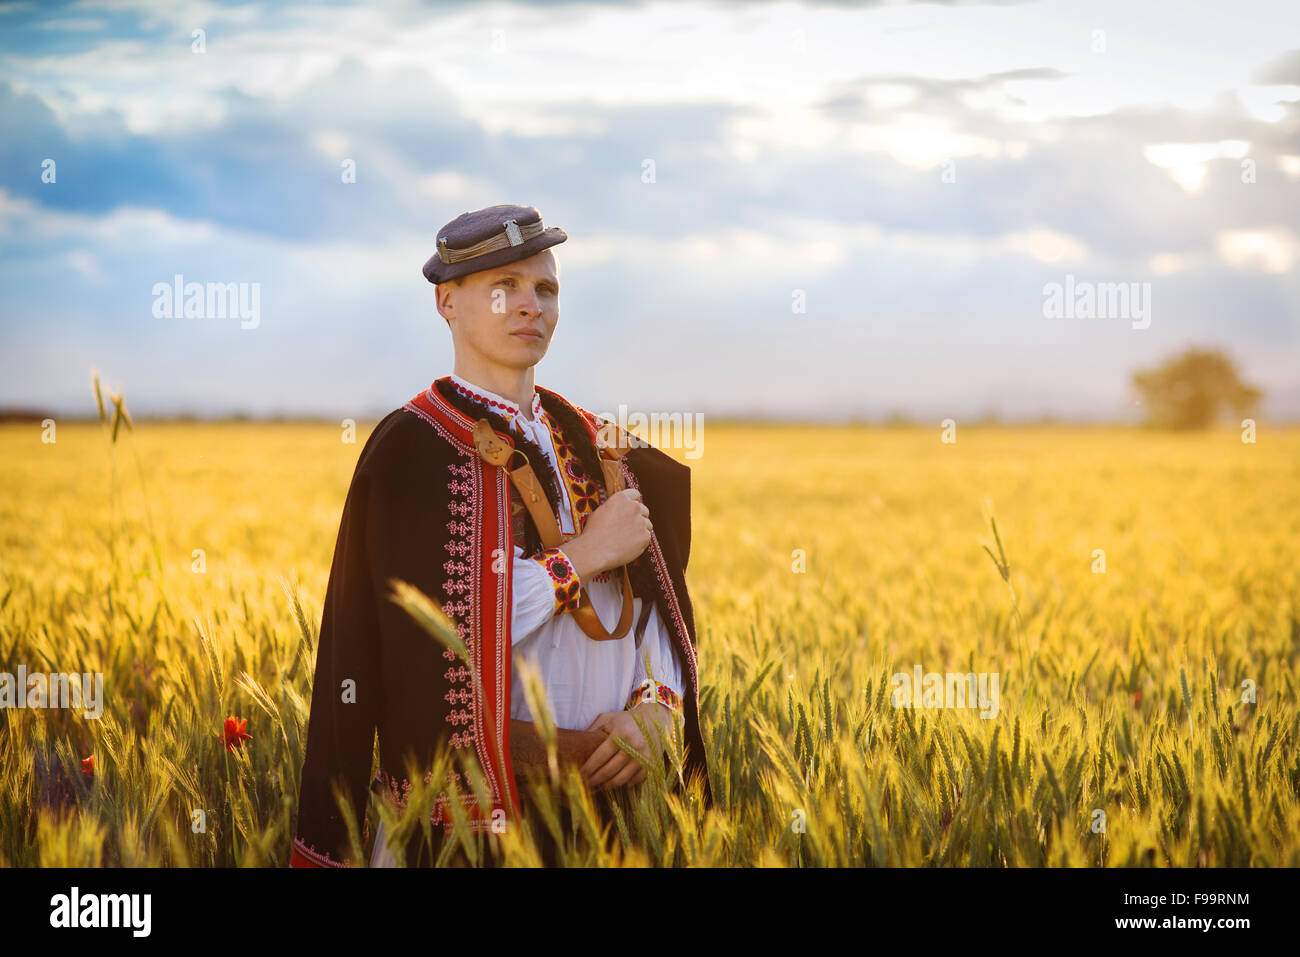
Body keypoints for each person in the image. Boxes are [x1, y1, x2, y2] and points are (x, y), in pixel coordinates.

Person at [289, 203, 711, 867]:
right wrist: (584, 555)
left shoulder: (601, 441)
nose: (528, 306)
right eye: (502, 286)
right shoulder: (412, 449)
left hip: (612, 814)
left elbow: (658, 603)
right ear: (446, 303)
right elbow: (427, 634)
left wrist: (658, 707)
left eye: (545, 289)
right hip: (465, 825)